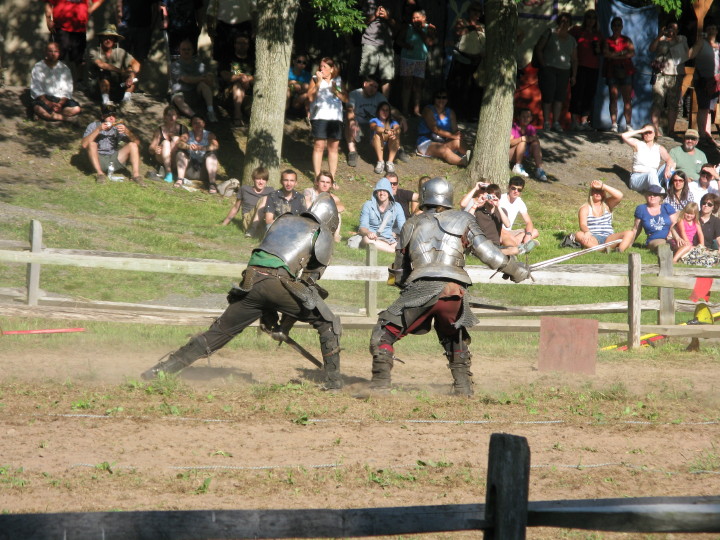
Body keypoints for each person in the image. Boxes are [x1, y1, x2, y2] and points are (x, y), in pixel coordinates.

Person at [141, 193, 344, 391]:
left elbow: (265, 259)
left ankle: (160, 371)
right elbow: (306, 284)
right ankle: (334, 382)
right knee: (328, 323)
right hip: (277, 283)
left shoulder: (285, 220)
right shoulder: (320, 232)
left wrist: (273, 314)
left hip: (251, 279)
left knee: (218, 333)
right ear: (331, 219)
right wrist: (283, 325)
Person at [368, 176, 530, 395]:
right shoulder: (464, 219)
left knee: (383, 334)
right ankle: (463, 388)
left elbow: (399, 270)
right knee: (453, 335)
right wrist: (515, 270)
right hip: (454, 291)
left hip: (422, 288)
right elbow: (488, 252)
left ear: (425, 196)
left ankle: (379, 386)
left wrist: (406, 287)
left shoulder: (412, 223)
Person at [345, 75, 407, 168]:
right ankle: (352, 152)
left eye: (375, 87)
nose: (373, 89)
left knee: (391, 121)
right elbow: (350, 110)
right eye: (371, 85)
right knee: (349, 121)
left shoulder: (378, 96)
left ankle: (398, 148)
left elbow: (390, 109)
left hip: (374, 124)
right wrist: (352, 121)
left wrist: (401, 117)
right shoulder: (355, 94)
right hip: (358, 124)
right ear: (365, 84)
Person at [459, 182, 531, 256]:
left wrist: (498, 206)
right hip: (481, 245)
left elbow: (507, 224)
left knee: (514, 249)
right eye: (490, 196)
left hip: (495, 246)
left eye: (494, 197)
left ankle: (493, 254)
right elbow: (467, 218)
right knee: (508, 251)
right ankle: (494, 254)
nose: (491, 199)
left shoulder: (501, 211)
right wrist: (476, 204)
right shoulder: (479, 210)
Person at [534, 12, 577, 131]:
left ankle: (556, 122)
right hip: (549, 69)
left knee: (559, 98)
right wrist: (544, 65)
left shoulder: (572, 40)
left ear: (570, 24)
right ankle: (547, 122)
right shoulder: (550, 32)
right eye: (562, 21)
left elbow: (574, 59)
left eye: (567, 21)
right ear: (558, 22)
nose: (565, 23)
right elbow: (539, 49)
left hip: (564, 71)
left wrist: (573, 75)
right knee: (548, 96)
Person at [45, 0, 106, 82]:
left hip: (79, 29)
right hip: (60, 27)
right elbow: (48, 3)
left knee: (79, 59)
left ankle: (79, 82)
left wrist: (90, 10)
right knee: (56, 56)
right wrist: (48, 19)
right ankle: (53, 82)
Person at [307, 57, 348, 183]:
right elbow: (310, 98)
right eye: (321, 66)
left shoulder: (338, 80)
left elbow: (346, 99)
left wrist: (335, 91)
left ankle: (332, 178)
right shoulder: (315, 79)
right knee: (319, 146)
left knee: (333, 147)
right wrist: (319, 82)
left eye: (325, 67)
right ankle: (317, 177)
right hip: (319, 116)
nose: (322, 69)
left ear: (332, 69)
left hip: (335, 118)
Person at [81, 105, 143, 185]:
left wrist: (127, 132)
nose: (111, 118)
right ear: (103, 116)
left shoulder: (118, 127)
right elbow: (84, 145)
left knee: (132, 145)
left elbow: (137, 143)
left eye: (113, 115)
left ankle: (136, 176)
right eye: (108, 115)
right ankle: (100, 174)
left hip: (113, 158)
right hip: (99, 158)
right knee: (92, 144)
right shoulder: (94, 126)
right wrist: (98, 130)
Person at [446, 2, 485, 122]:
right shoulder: (462, 21)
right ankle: (457, 114)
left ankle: (471, 115)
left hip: (477, 62)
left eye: (479, 11)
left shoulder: (483, 27)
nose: (476, 13)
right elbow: (458, 33)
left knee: (475, 89)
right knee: (459, 88)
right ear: (469, 11)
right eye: (474, 10)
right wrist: (472, 27)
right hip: (462, 59)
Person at [649, 21, 689, 136]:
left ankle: (671, 130)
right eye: (670, 27)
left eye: (675, 28)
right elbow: (651, 49)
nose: (672, 30)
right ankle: (655, 129)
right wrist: (659, 35)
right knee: (657, 101)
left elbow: (686, 53)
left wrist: (675, 38)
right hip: (660, 73)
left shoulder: (682, 39)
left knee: (673, 103)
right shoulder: (661, 39)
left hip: (675, 74)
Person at [87, 25, 141, 106]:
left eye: (111, 38)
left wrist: (131, 75)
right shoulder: (94, 50)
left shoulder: (120, 52)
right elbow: (101, 65)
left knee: (131, 72)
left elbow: (136, 64)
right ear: (101, 39)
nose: (108, 40)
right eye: (105, 37)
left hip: (116, 87)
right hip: (97, 88)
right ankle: (106, 102)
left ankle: (126, 101)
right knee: (105, 74)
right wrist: (121, 72)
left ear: (115, 40)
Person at [574, 180, 634, 253]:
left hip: (609, 237)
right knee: (578, 234)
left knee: (630, 233)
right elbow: (582, 224)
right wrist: (586, 232)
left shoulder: (607, 204)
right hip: (594, 238)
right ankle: (601, 250)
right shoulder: (585, 208)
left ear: (603, 193)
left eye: (600, 191)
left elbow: (619, 196)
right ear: (591, 193)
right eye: (595, 191)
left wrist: (603, 186)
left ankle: (619, 251)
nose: (597, 193)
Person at [687, 14, 720, 145]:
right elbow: (690, 55)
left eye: (713, 28)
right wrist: (697, 43)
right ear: (706, 31)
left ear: (717, 31)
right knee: (703, 108)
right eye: (709, 29)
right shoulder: (701, 43)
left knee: (710, 108)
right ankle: (702, 134)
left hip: (716, 81)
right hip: (703, 79)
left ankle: (708, 134)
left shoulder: (718, 46)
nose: (711, 31)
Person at [397, 9, 436, 117]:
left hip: (420, 60)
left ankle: (416, 110)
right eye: (413, 18)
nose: (414, 20)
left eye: (417, 17)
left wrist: (419, 31)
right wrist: (406, 45)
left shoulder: (429, 28)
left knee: (418, 85)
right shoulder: (407, 27)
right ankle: (405, 110)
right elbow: (398, 40)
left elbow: (430, 42)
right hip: (407, 59)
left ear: (424, 18)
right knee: (407, 84)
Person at [30, 42, 82, 123]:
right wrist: (48, 103)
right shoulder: (38, 67)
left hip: (59, 99)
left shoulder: (64, 68)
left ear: (59, 53)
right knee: (38, 108)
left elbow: (67, 89)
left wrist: (60, 104)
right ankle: (67, 119)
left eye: (56, 51)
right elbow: (36, 88)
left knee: (77, 109)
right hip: (44, 98)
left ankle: (48, 115)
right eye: (50, 51)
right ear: (45, 52)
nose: (53, 54)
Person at [416, 90, 470, 167]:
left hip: (443, 141)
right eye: (438, 97)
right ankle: (463, 162)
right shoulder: (428, 110)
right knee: (444, 149)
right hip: (426, 142)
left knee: (458, 141)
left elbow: (455, 131)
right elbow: (435, 129)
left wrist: (458, 135)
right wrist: (453, 136)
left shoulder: (450, 112)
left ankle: (473, 157)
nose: (441, 100)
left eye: (444, 97)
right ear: (434, 99)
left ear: (447, 100)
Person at [569, 9, 601, 131]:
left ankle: (584, 121)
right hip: (579, 66)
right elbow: (567, 42)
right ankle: (574, 121)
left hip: (593, 67)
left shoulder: (598, 34)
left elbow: (601, 52)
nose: (590, 20)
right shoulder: (577, 31)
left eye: (593, 18)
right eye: (588, 17)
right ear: (585, 19)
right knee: (577, 93)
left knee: (589, 94)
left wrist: (597, 48)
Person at [170, 39, 217, 122]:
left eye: (188, 49)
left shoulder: (199, 65)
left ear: (192, 51)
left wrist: (209, 77)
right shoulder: (174, 65)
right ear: (179, 51)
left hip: (195, 93)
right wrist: (202, 78)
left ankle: (211, 112)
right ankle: (195, 117)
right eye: (184, 49)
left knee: (204, 85)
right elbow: (186, 79)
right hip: (181, 94)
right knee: (177, 98)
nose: (186, 51)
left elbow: (209, 81)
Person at [358, 0, 397, 98]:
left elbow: (397, 24)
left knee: (387, 77)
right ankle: (365, 101)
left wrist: (387, 18)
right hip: (370, 42)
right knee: (367, 75)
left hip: (387, 45)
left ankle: (384, 104)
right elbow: (361, 22)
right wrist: (375, 15)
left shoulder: (392, 3)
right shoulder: (369, 2)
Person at [357, 176, 406, 253]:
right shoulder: (368, 205)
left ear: (389, 193)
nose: (382, 193)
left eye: (385, 190)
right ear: (376, 193)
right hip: (372, 238)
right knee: (366, 240)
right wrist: (368, 233)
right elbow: (362, 228)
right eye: (379, 190)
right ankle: (395, 251)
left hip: (389, 239)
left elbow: (403, 227)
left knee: (404, 244)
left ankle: (390, 248)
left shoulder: (397, 207)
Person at [222, 166, 274, 237]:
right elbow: (236, 208)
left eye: (264, 179)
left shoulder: (270, 190)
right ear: (253, 179)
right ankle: (252, 230)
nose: (261, 182)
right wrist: (224, 224)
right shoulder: (244, 189)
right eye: (258, 179)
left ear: (266, 181)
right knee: (265, 199)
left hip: (264, 221)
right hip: (249, 221)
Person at [603, 17, 635, 133]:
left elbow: (632, 53)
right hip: (612, 72)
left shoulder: (626, 40)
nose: (616, 27)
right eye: (614, 25)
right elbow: (606, 54)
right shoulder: (607, 40)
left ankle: (628, 125)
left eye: (618, 25)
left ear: (622, 27)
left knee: (627, 99)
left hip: (626, 71)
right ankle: (614, 125)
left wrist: (615, 55)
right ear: (612, 27)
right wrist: (622, 53)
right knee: (613, 98)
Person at [622, 124, 674, 193]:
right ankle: (660, 193)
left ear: (654, 134)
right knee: (651, 173)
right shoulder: (638, 144)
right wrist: (641, 130)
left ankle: (670, 189)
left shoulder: (659, 148)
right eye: (645, 132)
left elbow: (669, 159)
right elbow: (624, 136)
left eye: (650, 132)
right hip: (638, 178)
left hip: (654, 177)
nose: (648, 134)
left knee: (671, 166)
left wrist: (667, 168)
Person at [174, 114, 219, 193]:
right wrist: (188, 146)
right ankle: (180, 179)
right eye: (195, 123)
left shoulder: (209, 135)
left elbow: (215, 145)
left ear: (204, 124)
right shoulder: (188, 134)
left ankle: (212, 184)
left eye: (199, 123)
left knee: (212, 155)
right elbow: (179, 143)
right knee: (180, 153)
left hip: (204, 170)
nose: (197, 125)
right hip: (190, 169)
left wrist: (202, 148)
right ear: (191, 124)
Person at [218, 33, 255, 127]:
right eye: (239, 43)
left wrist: (247, 79)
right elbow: (224, 74)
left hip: (248, 94)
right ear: (235, 44)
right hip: (229, 94)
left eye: (244, 43)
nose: (242, 45)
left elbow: (258, 77)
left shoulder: (253, 60)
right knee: (238, 85)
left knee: (253, 113)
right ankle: (237, 115)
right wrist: (239, 78)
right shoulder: (227, 58)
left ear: (248, 45)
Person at [631, 185, 677, 253]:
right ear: (646, 196)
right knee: (663, 246)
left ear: (660, 197)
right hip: (654, 240)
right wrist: (629, 243)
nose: (652, 196)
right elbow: (636, 228)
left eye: (655, 195)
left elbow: (675, 223)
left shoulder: (667, 207)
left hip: (672, 237)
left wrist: (670, 235)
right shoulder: (641, 209)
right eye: (649, 194)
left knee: (676, 245)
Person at [304, 171, 345, 242]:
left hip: (325, 221)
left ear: (331, 185)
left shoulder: (332, 197)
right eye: (322, 181)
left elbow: (341, 207)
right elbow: (307, 204)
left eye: (328, 182)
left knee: (338, 214)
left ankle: (336, 236)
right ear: (317, 182)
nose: (325, 185)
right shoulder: (309, 191)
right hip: (311, 218)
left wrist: (328, 210)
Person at [499, 176, 539, 247]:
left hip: (510, 232)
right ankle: (520, 244)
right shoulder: (500, 199)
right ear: (509, 187)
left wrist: (528, 235)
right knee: (507, 237)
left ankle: (518, 242)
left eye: (519, 190)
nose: (516, 191)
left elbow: (528, 222)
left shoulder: (519, 202)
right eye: (513, 188)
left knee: (535, 232)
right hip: (499, 231)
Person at [509, 108, 547, 182]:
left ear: (531, 118)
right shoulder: (514, 127)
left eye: (528, 117)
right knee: (523, 141)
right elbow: (509, 143)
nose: (525, 119)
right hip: (511, 153)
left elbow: (536, 140)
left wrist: (532, 139)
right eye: (523, 117)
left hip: (524, 153)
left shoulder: (531, 128)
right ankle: (517, 166)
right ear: (519, 117)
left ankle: (539, 169)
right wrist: (521, 139)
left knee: (535, 143)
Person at [116, 0, 159, 64]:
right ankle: (123, 73)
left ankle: (139, 73)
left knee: (141, 57)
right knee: (123, 56)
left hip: (143, 28)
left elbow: (156, 8)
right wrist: (119, 23)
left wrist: (151, 26)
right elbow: (118, 4)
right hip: (126, 26)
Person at [369, 102, 401, 174]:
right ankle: (380, 162)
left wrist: (394, 132)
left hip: (389, 144)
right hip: (376, 143)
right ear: (378, 111)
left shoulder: (392, 121)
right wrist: (385, 131)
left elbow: (397, 128)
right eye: (383, 110)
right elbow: (374, 127)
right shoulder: (374, 120)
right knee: (377, 134)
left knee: (395, 136)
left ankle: (390, 163)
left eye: (387, 110)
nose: (385, 112)